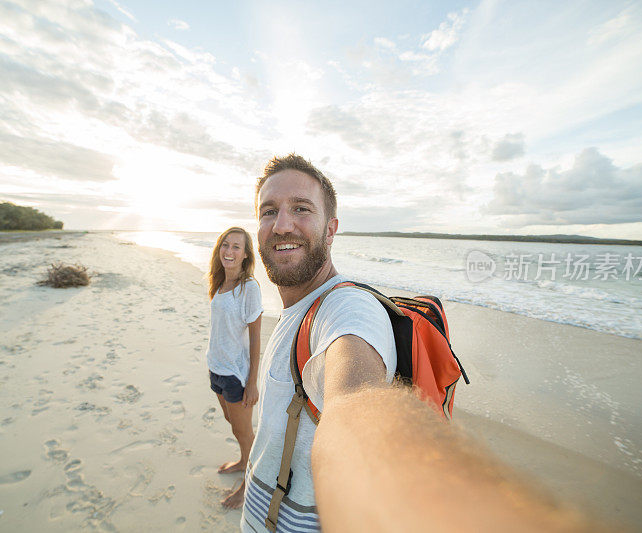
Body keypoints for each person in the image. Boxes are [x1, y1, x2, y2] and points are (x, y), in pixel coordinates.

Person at [242, 154, 595, 532]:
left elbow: (354, 406)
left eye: (301, 208)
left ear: (331, 229)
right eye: (268, 211)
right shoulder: (293, 310)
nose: (281, 225)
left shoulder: (347, 310)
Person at [205, 227, 263, 509]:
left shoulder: (248, 288)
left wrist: (252, 382)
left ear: (245, 254)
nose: (229, 251)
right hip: (215, 368)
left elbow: (255, 340)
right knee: (234, 426)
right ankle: (243, 461)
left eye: (236, 247)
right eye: (225, 245)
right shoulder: (218, 282)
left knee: (244, 432)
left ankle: (249, 486)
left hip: (235, 376)